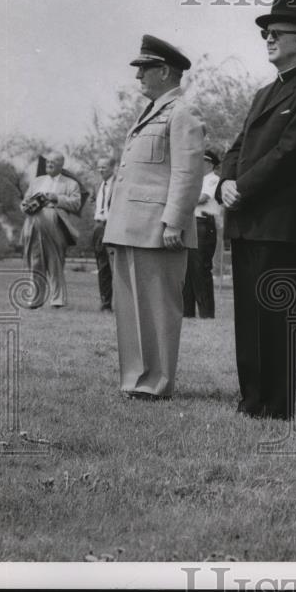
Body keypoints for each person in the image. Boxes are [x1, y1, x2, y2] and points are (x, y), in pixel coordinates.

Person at [217, 0, 296, 420]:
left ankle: (276, 404)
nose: (268, 38)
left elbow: (288, 153)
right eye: (266, 32)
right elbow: (238, 144)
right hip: (247, 219)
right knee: (248, 318)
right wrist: (225, 183)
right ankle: (251, 400)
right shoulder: (264, 93)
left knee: (276, 316)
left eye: (277, 33)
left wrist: (241, 187)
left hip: (279, 223)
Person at [103, 34, 205, 401]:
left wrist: (175, 220)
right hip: (131, 226)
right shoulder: (152, 112)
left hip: (158, 228)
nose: (138, 77)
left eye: (144, 69)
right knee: (129, 309)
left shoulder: (182, 112)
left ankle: (156, 382)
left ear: (164, 71)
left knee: (158, 309)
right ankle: (136, 379)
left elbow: (188, 172)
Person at [20, 152, 81, 308]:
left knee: (55, 262)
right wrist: (25, 205)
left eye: (53, 162)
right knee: (35, 262)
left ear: (61, 165)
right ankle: (35, 298)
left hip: (55, 224)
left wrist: (57, 198)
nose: (49, 165)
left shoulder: (71, 184)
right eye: (48, 162)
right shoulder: (36, 182)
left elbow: (76, 204)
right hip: (34, 223)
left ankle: (57, 299)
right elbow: (24, 201)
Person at [183, 149, 221, 319]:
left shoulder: (213, 179)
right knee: (188, 269)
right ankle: (187, 311)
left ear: (210, 164)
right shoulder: (197, 180)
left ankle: (206, 313)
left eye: (202, 161)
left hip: (204, 224)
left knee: (201, 269)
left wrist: (182, 200)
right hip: (192, 223)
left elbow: (202, 198)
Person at [91, 156, 116, 312]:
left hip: (112, 226)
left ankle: (122, 305)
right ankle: (105, 303)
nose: (101, 170)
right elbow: (93, 200)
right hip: (99, 226)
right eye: (99, 167)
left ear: (113, 167)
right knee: (102, 266)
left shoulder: (119, 184)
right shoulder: (96, 185)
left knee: (116, 266)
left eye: (104, 167)